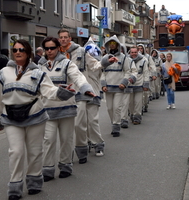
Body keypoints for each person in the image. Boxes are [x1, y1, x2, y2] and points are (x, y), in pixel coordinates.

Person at [0, 39, 75, 200]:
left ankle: (34, 181)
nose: (18, 52)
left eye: (21, 49)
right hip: (11, 118)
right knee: (16, 151)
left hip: (35, 116)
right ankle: (15, 185)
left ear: (28, 53)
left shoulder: (38, 73)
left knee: (35, 152)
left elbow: (49, 91)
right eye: (15, 50)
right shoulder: (3, 73)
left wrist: (62, 92)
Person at [38, 36, 94, 180]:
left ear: (58, 48)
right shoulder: (40, 66)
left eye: (52, 48)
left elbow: (77, 77)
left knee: (66, 139)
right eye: (46, 48)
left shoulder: (67, 63)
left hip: (66, 108)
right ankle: (48, 169)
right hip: (48, 109)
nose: (49, 51)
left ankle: (65, 165)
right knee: (48, 140)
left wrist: (85, 88)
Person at [57, 29, 104, 164]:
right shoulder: (57, 53)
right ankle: (82, 147)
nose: (63, 39)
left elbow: (94, 64)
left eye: (66, 37)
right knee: (75, 125)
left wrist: (105, 62)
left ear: (70, 38)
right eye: (61, 37)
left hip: (82, 90)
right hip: (66, 93)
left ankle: (92, 146)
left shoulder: (82, 52)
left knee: (85, 122)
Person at [101, 35, 137, 137]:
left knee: (117, 107)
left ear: (117, 45)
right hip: (108, 87)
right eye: (110, 44)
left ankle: (116, 126)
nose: (112, 46)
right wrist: (103, 84)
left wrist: (124, 83)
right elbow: (102, 72)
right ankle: (113, 122)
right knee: (109, 108)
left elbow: (127, 71)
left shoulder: (124, 58)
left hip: (119, 87)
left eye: (114, 44)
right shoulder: (105, 58)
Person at [127, 46, 149, 125]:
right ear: (130, 52)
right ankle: (132, 114)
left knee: (138, 102)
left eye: (135, 52)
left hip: (139, 84)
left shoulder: (143, 61)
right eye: (132, 52)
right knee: (130, 102)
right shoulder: (127, 60)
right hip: (129, 84)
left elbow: (146, 73)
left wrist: (146, 84)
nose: (133, 54)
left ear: (138, 52)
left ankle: (137, 117)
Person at [137, 44, 156, 112]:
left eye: (141, 48)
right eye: (138, 48)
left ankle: (145, 104)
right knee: (139, 94)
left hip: (146, 76)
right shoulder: (134, 57)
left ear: (143, 49)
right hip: (138, 77)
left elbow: (152, 65)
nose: (140, 50)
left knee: (145, 93)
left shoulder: (147, 57)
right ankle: (139, 107)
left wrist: (153, 74)